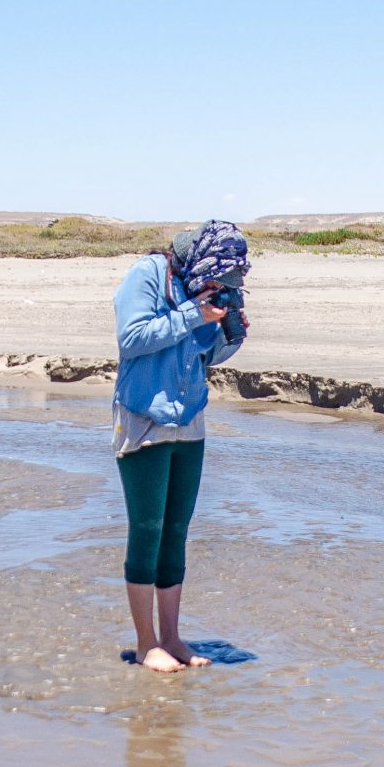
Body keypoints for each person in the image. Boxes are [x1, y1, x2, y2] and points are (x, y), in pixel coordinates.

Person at [111, 220, 248, 673]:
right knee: (147, 529)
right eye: (215, 277)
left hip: (189, 422)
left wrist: (230, 334)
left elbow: (200, 357)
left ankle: (172, 637)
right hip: (144, 421)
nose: (217, 286)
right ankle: (146, 642)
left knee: (176, 532)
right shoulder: (148, 274)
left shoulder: (204, 292)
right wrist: (193, 314)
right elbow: (131, 340)